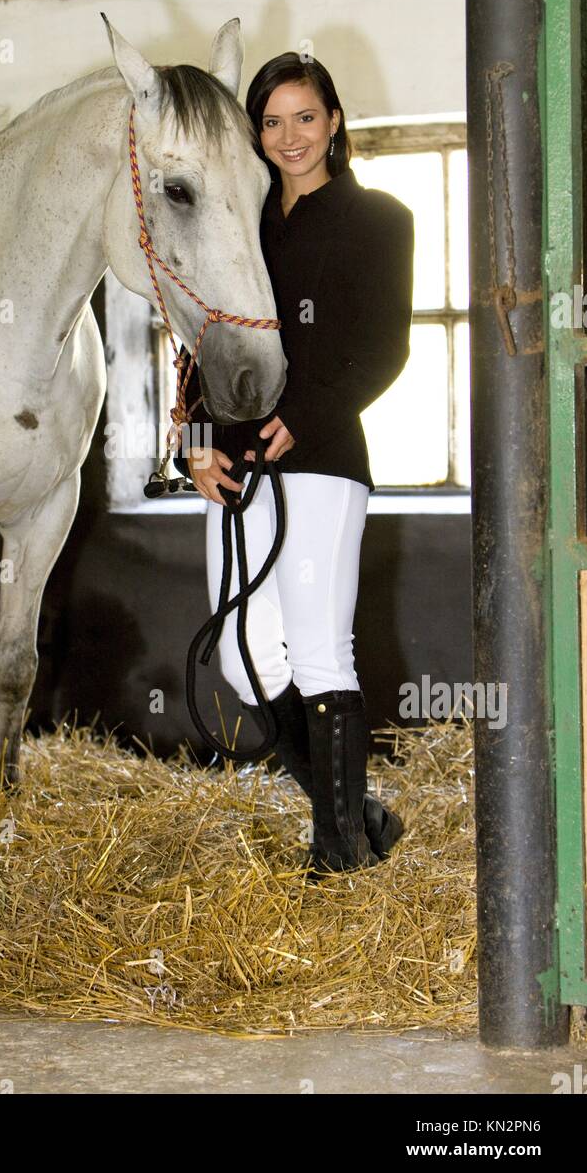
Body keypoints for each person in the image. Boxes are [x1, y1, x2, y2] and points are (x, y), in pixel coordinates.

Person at [176, 52, 415, 875]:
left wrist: (301, 418)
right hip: (233, 462)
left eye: (304, 117)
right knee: (243, 653)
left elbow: (384, 351)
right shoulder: (238, 221)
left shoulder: (379, 219)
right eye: (271, 121)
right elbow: (198, 344)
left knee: (319, 648)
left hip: (321, 455)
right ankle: (361, 812)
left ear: (335, 121)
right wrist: (192, 447)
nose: (289, 136)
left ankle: (337, 851)